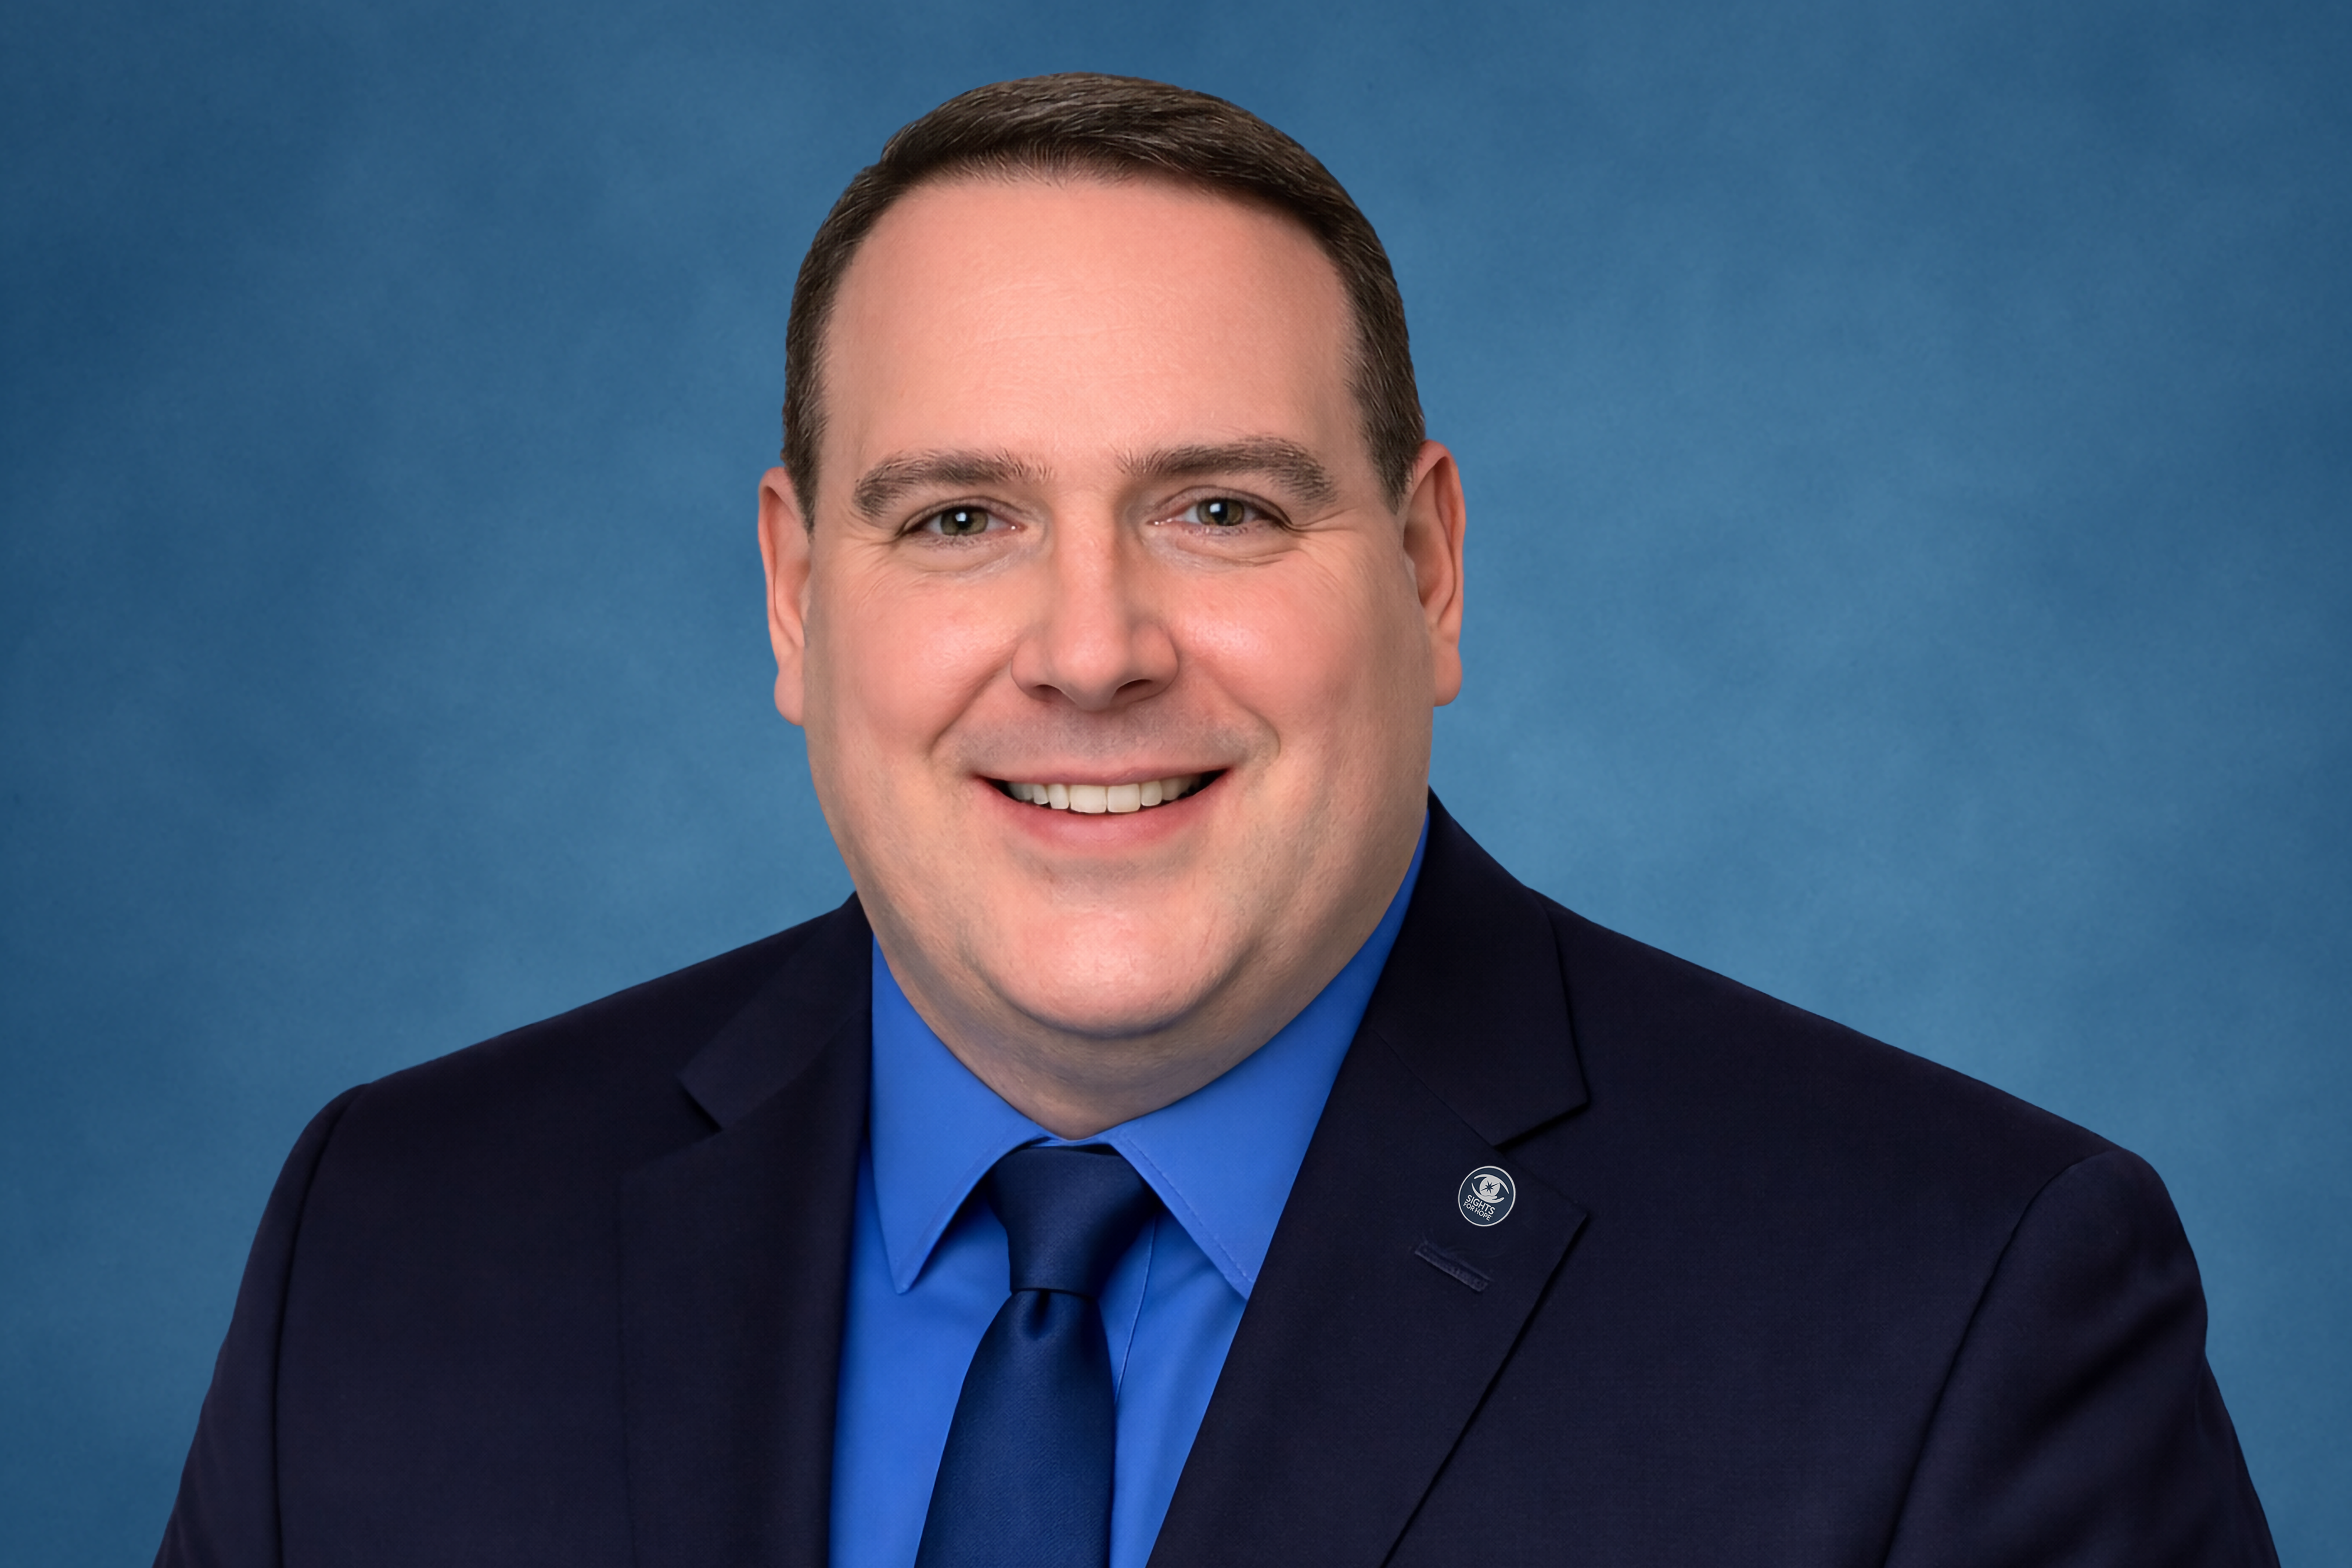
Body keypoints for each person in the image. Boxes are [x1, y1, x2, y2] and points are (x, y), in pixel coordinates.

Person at [154, 74, 2277, 1567]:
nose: (1092, 650)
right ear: (798, 598)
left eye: (1222, 509)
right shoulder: (395, 1243)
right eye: (961, 517)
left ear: (1429, 570)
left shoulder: (1952, 1307)